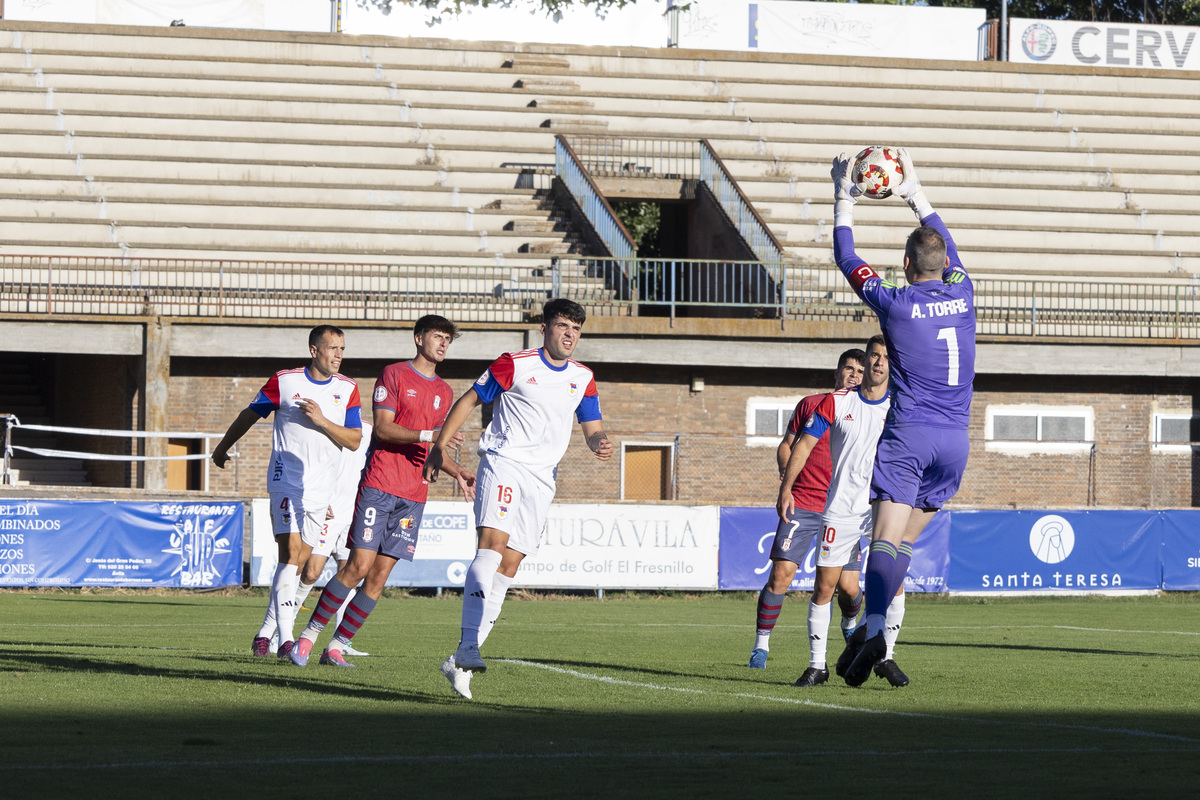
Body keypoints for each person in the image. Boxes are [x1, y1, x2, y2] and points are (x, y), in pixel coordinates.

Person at [829, 148, 975, 687]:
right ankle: (880, 637)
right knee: (906, 542)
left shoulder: (896, 302)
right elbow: (945, 245)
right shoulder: (965, 294)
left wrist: (844, 195)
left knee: (884, 539)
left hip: (910, 434)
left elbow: (846, 256)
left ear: (907, 267)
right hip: (954, 442)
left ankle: (871, 628)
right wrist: (916, 195)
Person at [424, 298, 613, 700]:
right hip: (504, 461)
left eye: (576, 329)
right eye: (562, 326)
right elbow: (470, 399)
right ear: (544, 328)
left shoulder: (583, 377)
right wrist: (440, 447)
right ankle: (469, 643)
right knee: (491, 548)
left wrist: (599, 441)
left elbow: (591, 425)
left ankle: (460, 663)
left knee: (509, 568)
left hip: (543, 479)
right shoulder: (516, 362)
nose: (569, 335)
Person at [290, 315, 470, 667]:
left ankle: (338, 646)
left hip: (415, 494)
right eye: (438, 336)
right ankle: (309, 636)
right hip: (380, 484)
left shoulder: (445, 391)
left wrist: (458, 470)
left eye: (448, 339)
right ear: (419, 339)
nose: (444, 344)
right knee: (358, 565)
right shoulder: (394, 374)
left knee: (380, 576)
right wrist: (429, 436)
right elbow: (384, 430)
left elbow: (433, 447)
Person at [211, 324, 363, 657]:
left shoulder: (348, 389)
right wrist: (222, 447)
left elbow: (354, 440)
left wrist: (322, 421)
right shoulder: (285, 381)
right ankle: (287, 640)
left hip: (321, 492)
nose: (338, 355)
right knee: (292, 556)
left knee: (301, 566)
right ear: (314, 350)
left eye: (342, 349)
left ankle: (266, 633)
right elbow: (249, 415)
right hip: (286, 482)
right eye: (333, 348)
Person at [779, 336, 905, 687]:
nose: (878, 363)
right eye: (873, 355)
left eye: (884, 358)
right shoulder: (836, 402)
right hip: (840, 508)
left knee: (893, 585)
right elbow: (802, 447)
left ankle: (886, 657)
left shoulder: (900, 405)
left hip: (883, 507)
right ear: (865, 360)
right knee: (825, 587)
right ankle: (816, 666)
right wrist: (786, 488)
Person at [747, 349, 865, 670]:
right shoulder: (812, 404)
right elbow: (787, 445)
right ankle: (761, 647)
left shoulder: (869, 413)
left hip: (842, 509)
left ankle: (850, 627)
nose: (854, 375)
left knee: (848, 587)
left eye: (860, 371)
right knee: (781, 576)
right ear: (837, 372)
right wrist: (787, 481)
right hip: (803, 503)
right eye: (849, 368)